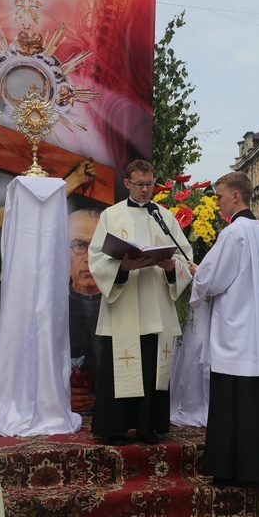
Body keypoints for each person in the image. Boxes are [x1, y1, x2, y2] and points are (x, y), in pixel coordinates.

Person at [188, 171, 259, 487]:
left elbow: (212, 281)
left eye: (220, 195)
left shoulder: (233, 232)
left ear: (235, 196)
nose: (219, 201)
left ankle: (230, 470)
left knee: (233, 403)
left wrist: (197, 274)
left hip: (236, 334)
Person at [88, 159, 192, 445]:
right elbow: (96, 258)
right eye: (140, 184)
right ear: (127, 184)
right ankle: (115, 427)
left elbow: (185, 255)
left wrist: (173, 269)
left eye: (150, 184)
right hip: (124, 305)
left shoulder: (165, 216)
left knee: (152, 366)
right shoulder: (111, 215)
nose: (146, 190)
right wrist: (123, 268)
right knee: (122, 365)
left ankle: (149, 426)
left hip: (156, 306)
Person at [68, 208, 102, 414]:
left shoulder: (126, 308)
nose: (89, 258)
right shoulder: (48, 309)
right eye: (79, 245)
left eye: (97, 247)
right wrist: (56, 395)